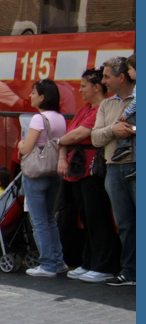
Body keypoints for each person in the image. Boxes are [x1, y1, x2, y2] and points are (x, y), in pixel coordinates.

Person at [58, 68, 121, 283]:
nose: (80, 90)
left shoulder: (101, 108)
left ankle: (104, 264)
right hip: (78, 169)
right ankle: (89, 262)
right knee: (86, 217)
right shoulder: (85, 109)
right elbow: (70, 134)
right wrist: (63, 143)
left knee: (97, 216)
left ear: (96, 87)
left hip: (92, 168)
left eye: (83, 86)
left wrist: (60, 142)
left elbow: (78, 134)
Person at [91, 55, 135, 286]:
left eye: (107, 76)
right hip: (114, 169)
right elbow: (96, 137)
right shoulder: (107, 105)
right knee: (125, 223)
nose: (103, 81)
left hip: (135, 166)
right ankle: (130, 271)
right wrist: (113, 130)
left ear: (121, 77)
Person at [17, 78, 68, 277]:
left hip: (36, 173)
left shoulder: (38, 119)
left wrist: (21, 145)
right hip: (54, 171)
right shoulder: (60, 118)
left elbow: (27, 147)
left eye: (33, 93)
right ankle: (59, 260)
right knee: (50, 219)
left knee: (38, 221)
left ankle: (47, 264)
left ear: (42, 97)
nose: (30, 96)